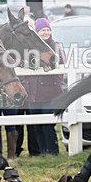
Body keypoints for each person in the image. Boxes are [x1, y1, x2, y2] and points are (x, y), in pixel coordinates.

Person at [21, 18, 65, 155]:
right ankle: (42, 152)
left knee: (47, 124)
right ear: (37, 32)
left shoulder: (55, 46)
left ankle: (53, 151)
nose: (46, 33)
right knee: (36, 125)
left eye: (48, 30)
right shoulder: (29, 47)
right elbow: (23, 63)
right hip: (32, 92)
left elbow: (61, 65)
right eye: (42, 30)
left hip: (49, 91)